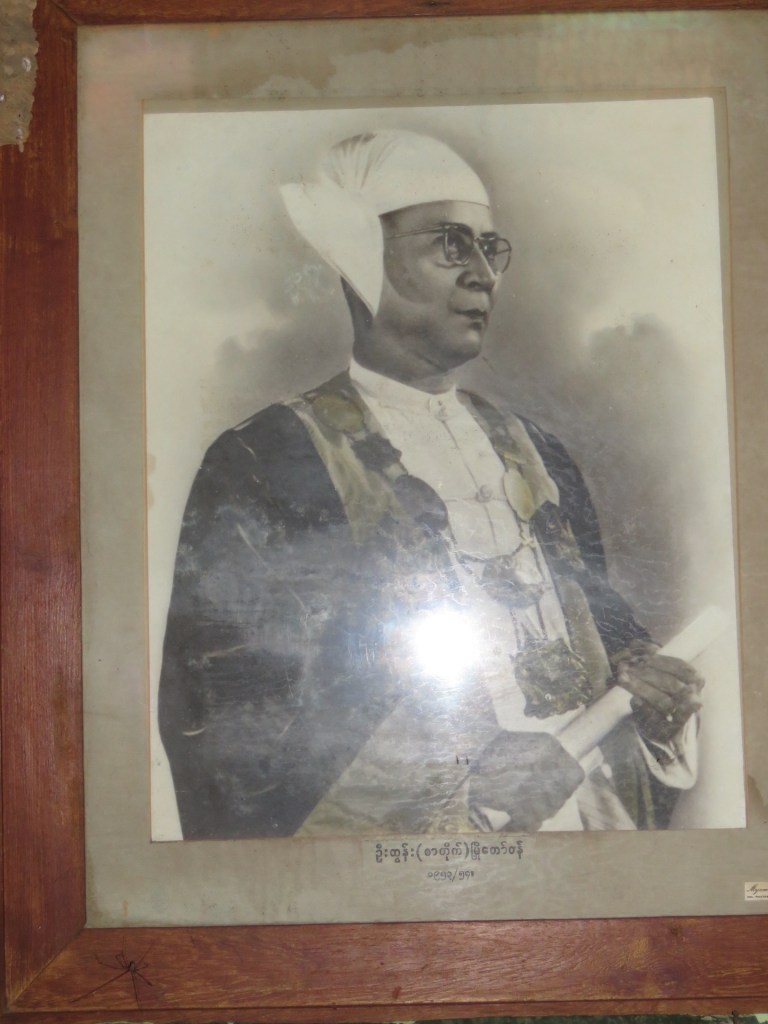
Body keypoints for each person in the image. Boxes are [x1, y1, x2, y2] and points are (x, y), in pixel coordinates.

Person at [158, 129, 703, 840]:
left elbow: (609, 637)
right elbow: (222, 720)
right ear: (361, 259)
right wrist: (462, 767)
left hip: (587, 830)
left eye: (489, 248)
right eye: (450, 244)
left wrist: (654, 701)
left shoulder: (540, 452)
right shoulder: (263, 460)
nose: (483, 275)